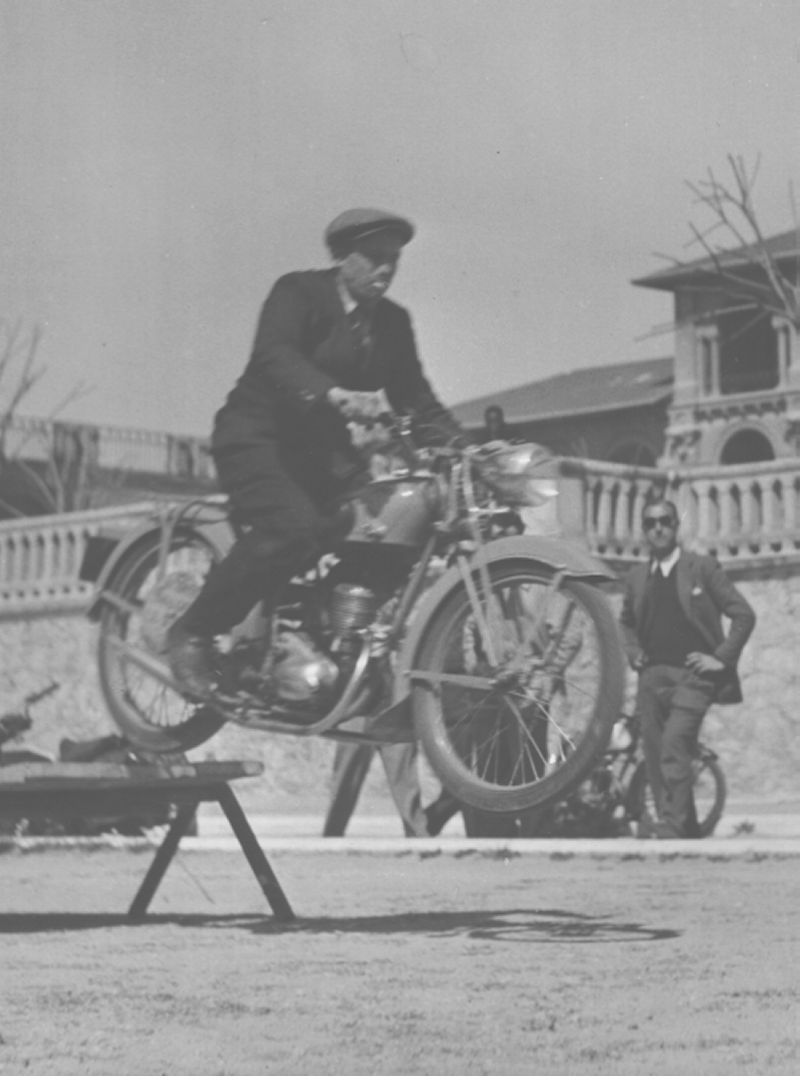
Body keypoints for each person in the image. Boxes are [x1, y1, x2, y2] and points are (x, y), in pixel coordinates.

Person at [166, 207, 464, 837]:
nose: (386, 269)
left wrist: (465, 448)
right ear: (344, 257)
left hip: (328, 461)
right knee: (293, 531)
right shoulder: (297, 293)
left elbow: (416, 395)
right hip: (258, 439)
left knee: (381, 526)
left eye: (395, 260)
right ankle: (193, 633)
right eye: (375, 258)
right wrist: (334, 394)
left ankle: (321, 633)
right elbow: (273, 356)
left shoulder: (394, 324)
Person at [620, 499, 755, 838]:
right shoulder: (636, 577)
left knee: (674, 745)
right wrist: (632, 652)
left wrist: (721, 658)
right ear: (644, 531)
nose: (658, 528)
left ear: (676, 526)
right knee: (654, 756)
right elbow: (626, 624)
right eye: (650, 523)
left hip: (694, 679)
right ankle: (688, 829)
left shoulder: (702, 567)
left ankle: (672, 827)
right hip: (651, 680)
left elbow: (743, 614)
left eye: (665, 521)